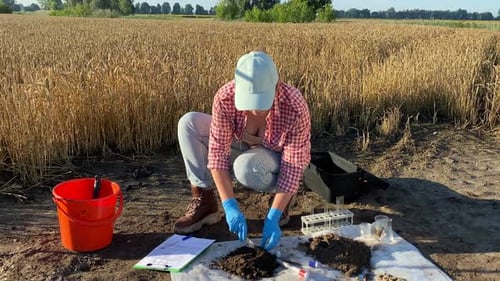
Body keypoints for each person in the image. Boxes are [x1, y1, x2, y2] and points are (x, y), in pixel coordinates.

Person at [174, 50, 311, 251]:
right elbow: (218, 152)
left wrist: (273, 216)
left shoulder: (294, 105)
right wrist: (229, 205)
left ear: (275, 88)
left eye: (257, 106)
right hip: (240, 145)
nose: (246, 111)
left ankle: (281, 203)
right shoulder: (225, 97)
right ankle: (205, 201)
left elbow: (293, 166)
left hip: (275, 159)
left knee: (247, 168)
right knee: (189, 123)